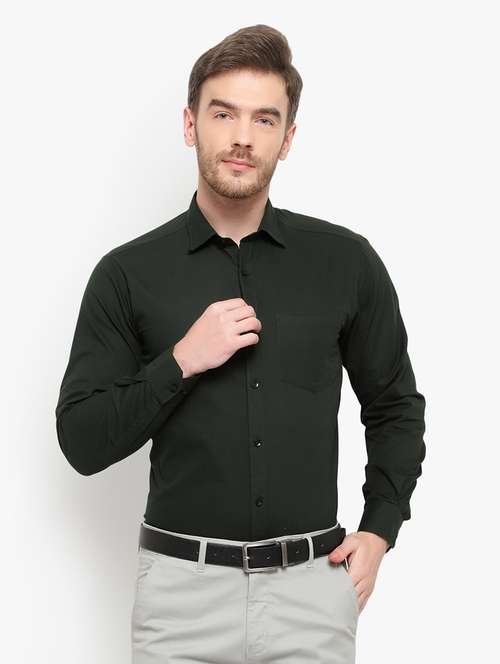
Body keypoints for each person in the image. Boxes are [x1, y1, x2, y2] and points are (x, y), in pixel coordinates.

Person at [55, 23, 426, 664]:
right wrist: (181, 361)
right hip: (180, 602)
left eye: (264, 119)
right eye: (223, 113)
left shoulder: (346, 263)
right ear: (190, 124)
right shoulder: (127, 275)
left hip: (313, 595)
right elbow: (82, 441)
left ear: (288, 138)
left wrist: (380, 529)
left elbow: (395, 406)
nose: (242, 137)